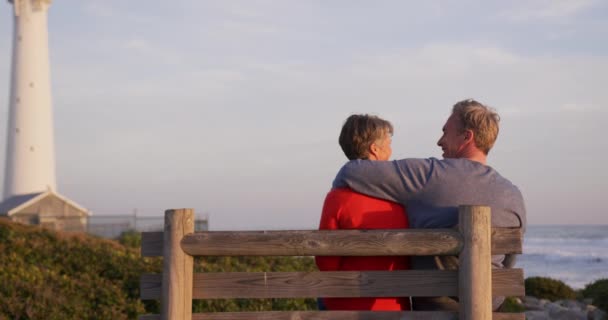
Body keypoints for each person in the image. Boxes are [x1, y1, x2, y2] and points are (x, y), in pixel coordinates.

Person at [332, 99, 526, 311]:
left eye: (445, 132)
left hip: (436, 308)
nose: (439, 141)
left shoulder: (429, 175)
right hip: (489, 308)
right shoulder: (513, 195)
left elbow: (352, 171)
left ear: (466, 136)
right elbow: (508, 262)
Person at [315, 114, 411, 311]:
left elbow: (326, 262)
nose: (391, 150)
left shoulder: (337, 198)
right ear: (374, 149)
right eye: (388, 143)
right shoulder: (401, 197)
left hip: (344, 303)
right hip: (393, 304)